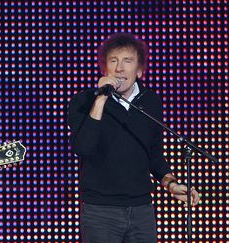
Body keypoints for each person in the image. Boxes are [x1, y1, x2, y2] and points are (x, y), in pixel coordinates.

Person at [68, 33, 200, 242]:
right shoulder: (84, 101)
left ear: (139, 70)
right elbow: (83, 147)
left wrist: (171, 184)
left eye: (127, 61)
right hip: (101, 212)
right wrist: (100, 99)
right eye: (113, 61)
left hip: (142, 211)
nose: (119, 68)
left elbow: (153, 154)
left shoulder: (150, 102)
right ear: (105, 69)